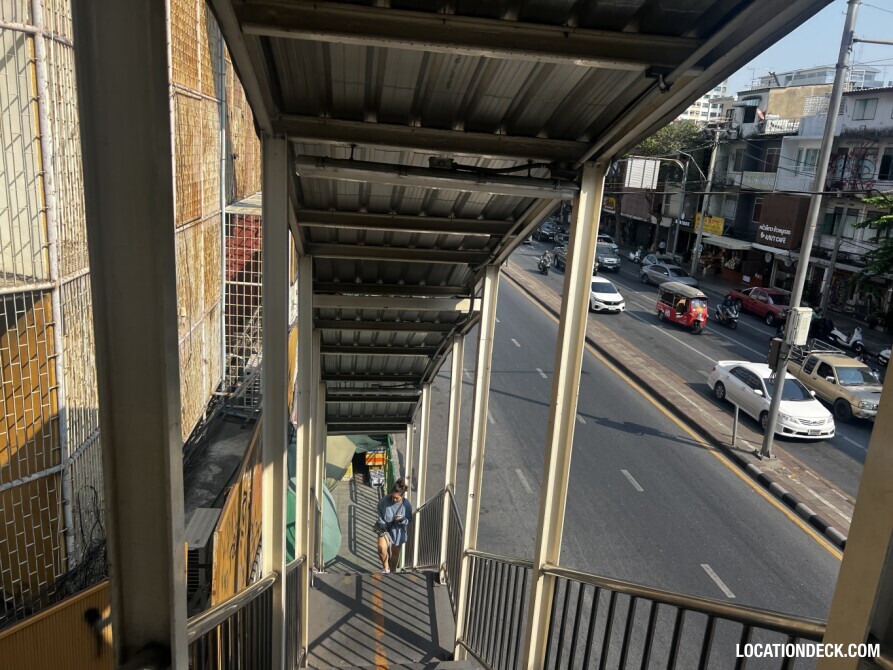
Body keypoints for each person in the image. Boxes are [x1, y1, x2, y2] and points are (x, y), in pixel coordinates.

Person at [375, 478, 413, 574]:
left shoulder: (407, 505)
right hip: (385, 528)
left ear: (403, 496)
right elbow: (379, 509)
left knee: (395, 552)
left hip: (398, 531)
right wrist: (381, 521)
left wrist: (402, 519)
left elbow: (409, 520)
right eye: (393, 497)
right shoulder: (385, 500)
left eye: (397, 498)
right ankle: (386, 568)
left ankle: (393, 571)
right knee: (381, 548)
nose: (394, 499)